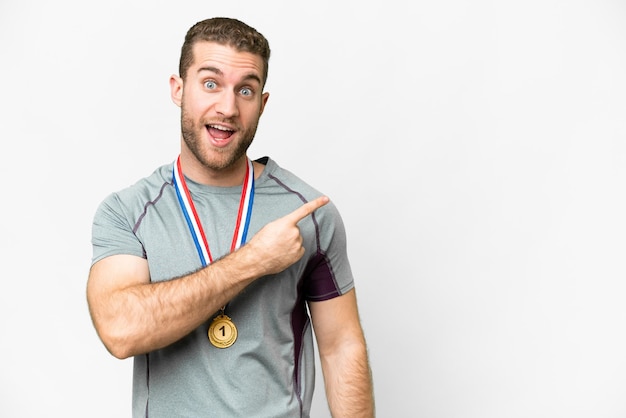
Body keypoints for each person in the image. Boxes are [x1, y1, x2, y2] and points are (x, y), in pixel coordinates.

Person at [87, 17, 374, 418]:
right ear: (178, 89)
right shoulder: (128, 212)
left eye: (246, 90)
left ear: (263, 102)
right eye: (210, 84)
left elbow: (341, 345)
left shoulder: (309, 214)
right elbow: (120, 330)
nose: (228, 107)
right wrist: (253, 260)